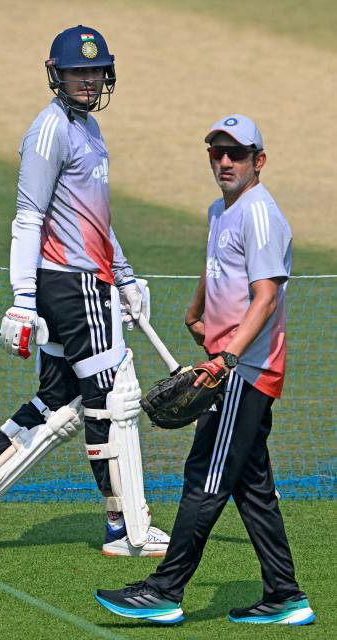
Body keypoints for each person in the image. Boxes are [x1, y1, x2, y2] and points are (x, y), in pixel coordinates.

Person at [0, 25, 169, 558]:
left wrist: (124, 276)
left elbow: (96, 218)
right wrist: (22, 298)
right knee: (113, 398)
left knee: (60, 400)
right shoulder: (49, 130)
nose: (88, 80)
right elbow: (28, 216)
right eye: (77, 71)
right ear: (55, 74)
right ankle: (127, 528)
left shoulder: (90, 129)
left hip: (90, 279)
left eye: (95, 70)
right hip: (71, 283)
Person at [94, 114, 316, 625]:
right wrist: (195, 313)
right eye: (216, 152)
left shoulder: (261, 215)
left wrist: (226, 357)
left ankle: (165, 591)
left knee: (205, 477)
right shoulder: (222, 210)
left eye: (235, 153)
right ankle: (285, 595)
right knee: (250, 485)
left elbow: (265, 297)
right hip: (229, 364)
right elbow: (215, 265)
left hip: (243, 371)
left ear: (259, 161)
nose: (224, 162)